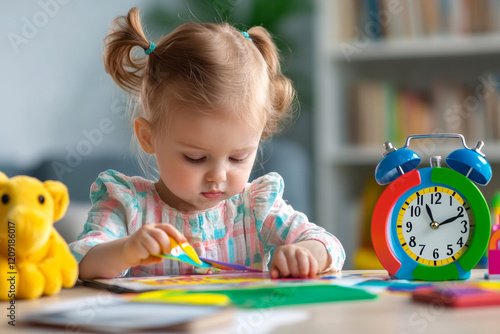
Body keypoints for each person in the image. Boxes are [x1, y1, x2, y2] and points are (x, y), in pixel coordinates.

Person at [69, 7, 345, 280]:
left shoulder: (257, 207)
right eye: (195, 157)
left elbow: (329, 245)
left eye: (238, 158)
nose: (219, 175)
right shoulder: (127, 206)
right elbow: (81, 262)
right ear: (148, 137)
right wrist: (126, 250)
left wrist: (306, 254)